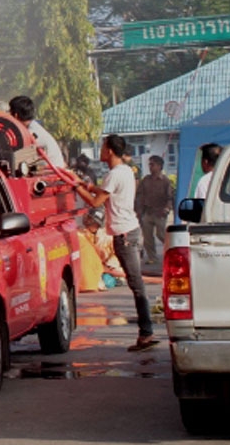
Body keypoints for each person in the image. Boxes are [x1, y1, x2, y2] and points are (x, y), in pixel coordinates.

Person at [74, 134, 157, 352]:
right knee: (136, 283)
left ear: (109, 150)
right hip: (130, 230)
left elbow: (95, 202)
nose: (101, 151)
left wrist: (77, 187)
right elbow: (104, 193)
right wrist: (87, 185)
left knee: (136, 284)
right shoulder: (125, 171)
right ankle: (146, 332)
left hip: (124, 234)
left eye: (102, 147)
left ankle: (146, 333)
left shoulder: (114, 174)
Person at [8, 95, 66, 168]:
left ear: (15, 115)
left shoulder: (30, 133)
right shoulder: (33, 127)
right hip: (53, 167)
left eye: (10, 112)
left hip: (51, 171)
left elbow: (17, 158)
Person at [135, 155, 174, 264]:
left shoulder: (165, 181)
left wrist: (167, 208)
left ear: (159, 166)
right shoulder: (146, 180)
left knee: (161, 234)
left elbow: (170, 197)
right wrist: (138, 210)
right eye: (149, 164)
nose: (150, 167)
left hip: (160, 212)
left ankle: (172, 251)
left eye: (153, 164)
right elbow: (140, 196)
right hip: (147, 212)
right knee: (147, 237)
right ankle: (152, 257)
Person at [80, 207, 124, 290]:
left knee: (107, 280)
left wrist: (108, 266)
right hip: (92, 265)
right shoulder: (81, 233)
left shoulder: (107, 237)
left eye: (92, 220)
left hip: (108, 265)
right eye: (88, 219)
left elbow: (114, 254)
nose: (88, 222)